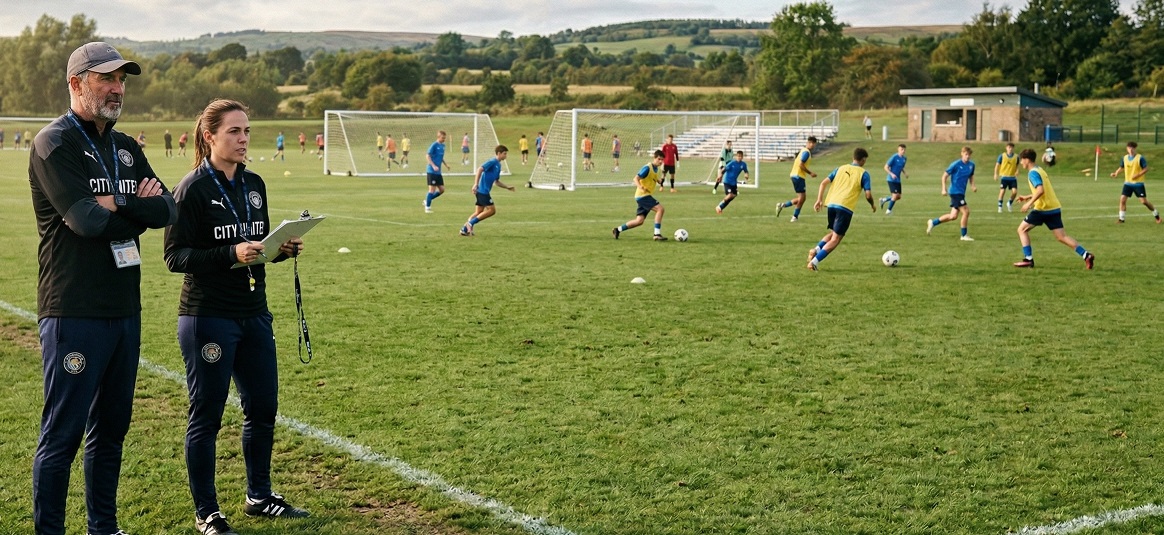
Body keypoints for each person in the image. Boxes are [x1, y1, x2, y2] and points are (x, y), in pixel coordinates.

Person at [30, 41, 177, 535]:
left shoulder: (125, 146)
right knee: (63, 435)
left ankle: (104, 527)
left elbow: (167, 210)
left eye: (121, 80)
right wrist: (130, 203)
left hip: (123, 309)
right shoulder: (54, 143)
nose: (117, 89)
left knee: (111, 430)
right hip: (73, 309)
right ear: (76, 83)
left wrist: (116, 203)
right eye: (106, 79)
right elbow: (86, 222)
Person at [164, 99, 310, 535]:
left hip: (254, 313)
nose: (244, 139)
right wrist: (231, 252)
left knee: (263, 409)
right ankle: (206, 513)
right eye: (234, 131)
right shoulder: (191, 189)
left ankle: (259, 496)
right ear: (210, 136)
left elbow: (256, 250)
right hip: (208, 316)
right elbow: (175, 256)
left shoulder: (255, 184)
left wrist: (280, 251)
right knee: (206, 416)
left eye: (247, 131)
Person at [1012, 148, 1095, 269]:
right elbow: (1043, 190)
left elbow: (1040, 190)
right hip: (1054, 208)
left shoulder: (1032, 173)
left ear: (1027, 160)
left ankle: (1028, 259)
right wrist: (1027, 196)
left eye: (1022, 160)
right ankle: (1086, 255)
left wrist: (1029, 203)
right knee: (1062, 237)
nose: (1021, 163)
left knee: (1022, 230)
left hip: (1042, 209)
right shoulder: (1040, 170)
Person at [805, 147, 876, 271]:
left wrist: (819, 199)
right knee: (836, 239)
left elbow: (823, 183)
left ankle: (816, 249)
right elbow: (868, 194)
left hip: (831, 204)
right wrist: (872, 205)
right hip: (845, 207)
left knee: (833, 233)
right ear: (863, 160)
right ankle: (814, 262)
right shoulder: (864, 174)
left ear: (853, 157)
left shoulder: (840, 168)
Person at [612, 149, 668, 241]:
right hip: (643, 196)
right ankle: (656, 234)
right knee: (660, 209)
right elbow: (635, 178)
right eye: (659, 159)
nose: (661, 161)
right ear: (654, 158)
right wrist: (641, 187)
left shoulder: (655, 169)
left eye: (662, 160)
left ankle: (617, 230)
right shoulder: (647, 168)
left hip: (643, 196)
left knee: (639, 221)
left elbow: (655, 179)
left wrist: (660, 180)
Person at [461, 145, 516, 236]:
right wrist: (476, 184)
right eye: (504, 154)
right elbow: (480, 169)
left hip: (483, 191)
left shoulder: (498, 165)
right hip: (482, 191)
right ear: (499, 153)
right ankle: (470, 224)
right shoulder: (492, 161)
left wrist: (507, 187)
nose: (506, 156)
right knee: (492, 210)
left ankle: (464, 229)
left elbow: (496, 182)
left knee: (479, 212)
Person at [926, 146, 977, 241]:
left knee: (953, 216)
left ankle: (933, 222)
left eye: (969, 155)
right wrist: (943, 189)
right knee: (966, 211)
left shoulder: (971, 165)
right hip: (954, 192)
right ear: (962, 154)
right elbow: (944, 176)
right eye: (966, 154)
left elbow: (971, 176)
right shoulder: (956, 164)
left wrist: (973, 185)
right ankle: (964, 235)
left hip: (961, 192)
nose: (968, 156)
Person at [1109, 141, 1161, 223]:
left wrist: (1137, 175)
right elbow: (1122, 167)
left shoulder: (1140, 158)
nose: (1131, 150)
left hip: (1138, 184)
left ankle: (1157, 215)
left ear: (1135, 149)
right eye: (1129, 148)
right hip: (1128, 183)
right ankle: (1121, 219)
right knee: (1122, 199)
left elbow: (1146, 168)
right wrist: (1116, 173)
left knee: (1144, 202)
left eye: (1132, 148)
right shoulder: (1125, 158)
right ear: (1127, 149)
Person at [777, 135, 818, 222]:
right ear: (808, 143)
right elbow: (801, 164)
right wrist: (811, 173)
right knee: (802, 198)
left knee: (801, 198)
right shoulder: (806, 152)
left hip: (795, 175)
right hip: (798, 176)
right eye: (810, 143)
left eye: (813, 143)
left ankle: (782, 205)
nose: (812, 145)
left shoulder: (803, 150)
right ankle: (794, 217)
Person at [715, 150, 750, 215]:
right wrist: (720, 176)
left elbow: (746, 171)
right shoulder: (732, 163)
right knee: (730, 195)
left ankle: (720, 208)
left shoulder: (743, 164)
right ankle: (719, 206)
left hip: (733, 183)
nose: (739, 157)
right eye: (738, 156)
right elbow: (723, 169)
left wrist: (746, 175)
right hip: (727, 181)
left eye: (741, 156)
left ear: (742, 157)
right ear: (736, 156)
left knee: (733, 195)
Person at [423, 130, 450, 213]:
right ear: (438, 137)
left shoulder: (443, 146)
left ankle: (427, 200)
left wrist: (446, 165)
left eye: (445, 138)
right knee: (432, 190)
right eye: (442, 138)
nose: (444, 139)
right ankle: (427, 207)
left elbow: (441, 157)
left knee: (442, 190)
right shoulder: (434, 145)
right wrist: (433, 165)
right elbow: (428, 156)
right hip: (431, 171)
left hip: (438, 172)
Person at [878, 144, 907, 215]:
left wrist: (905, 173)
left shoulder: (904, 159)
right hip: (891, 179)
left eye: (904, 149)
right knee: (895, 195)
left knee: (898, 196)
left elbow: (901, 167)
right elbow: (885, 167)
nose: (903, 151)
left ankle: (883, 200)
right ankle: (888, 211)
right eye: (901, 149)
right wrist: (891, 174)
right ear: (898, 150)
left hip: (898, 180)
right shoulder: (894, 157)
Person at [994, 143, 1019, 212]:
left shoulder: (1016, 157)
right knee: (1002, 191)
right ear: (1006, 148)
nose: (1010, 149)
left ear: (1013, 148)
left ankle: (1009, 203)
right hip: (1004, 177)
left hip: (1012, 177)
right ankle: (1000, 206)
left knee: (1015, 192)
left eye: (1011, 147)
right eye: (1009, 147)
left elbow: (1017, 165)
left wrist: (1017, 171)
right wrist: (995, 174)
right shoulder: (1002, 156)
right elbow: (997, 165)